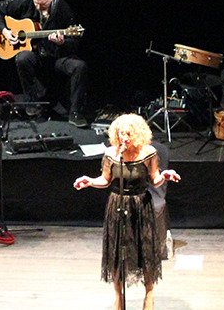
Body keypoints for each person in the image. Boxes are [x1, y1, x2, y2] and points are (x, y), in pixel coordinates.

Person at [74, 113, 181, 310]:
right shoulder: (111, 154)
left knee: (145, 250)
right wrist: (89, 181)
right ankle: (118, 298)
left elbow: (155, 179)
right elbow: (105, 180)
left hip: (141, 204)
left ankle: (149, 295)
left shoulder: (148, 153)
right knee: (117, 252)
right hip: (117, 205)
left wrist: (165, 175)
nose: (125, 138)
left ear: (138, 135)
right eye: (121, 133)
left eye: (129, 134)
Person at [0, 0, 89, 127]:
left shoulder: (63, 9)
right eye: (36, 3)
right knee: (22, 58)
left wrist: (62, 43)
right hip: (36, 55)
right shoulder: (26, 1)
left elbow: (74, 42)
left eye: (43, 4)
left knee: (80, 66)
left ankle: (75, 113)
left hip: (56, 57)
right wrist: (5, 31)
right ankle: (33, 104)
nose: (38, 8)